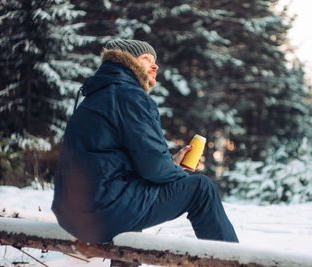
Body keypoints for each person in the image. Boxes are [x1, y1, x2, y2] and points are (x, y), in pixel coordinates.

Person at [51, 39, 239, 244]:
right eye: (146, 59)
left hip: (71, 214)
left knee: (133, 194)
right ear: (126, 61)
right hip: (103, 213)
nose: (155, 65)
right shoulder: (130, 95)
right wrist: (174, 172)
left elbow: (122, 163)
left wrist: (173, 163)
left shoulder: (94, 97)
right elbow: (155, 168)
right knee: (202, 188)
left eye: (155, 60)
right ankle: (230, 261)